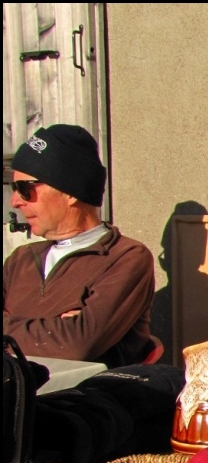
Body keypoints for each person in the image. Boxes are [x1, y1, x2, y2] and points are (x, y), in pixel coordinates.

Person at [4, 124, 156, 368]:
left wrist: (14, 327)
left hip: (77, 399)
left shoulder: (125, 258)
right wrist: (59, 327)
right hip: (17, 395)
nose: (14, 202)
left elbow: (77, 344)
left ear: (70, 191)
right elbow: (68, 338)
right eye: (14, 189)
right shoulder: (20, 259)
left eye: (25, 189)